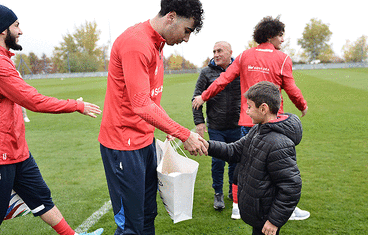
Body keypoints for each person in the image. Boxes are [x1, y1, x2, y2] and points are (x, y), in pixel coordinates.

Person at [0, 2, 103, 235]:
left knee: (41, 198)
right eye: (16, 25)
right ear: (3, 29)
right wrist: (76, 105)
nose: (20, 31)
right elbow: (33, 101)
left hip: (15, 150)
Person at [98, 0, 206, 234]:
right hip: (123, 146)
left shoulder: (157, 45)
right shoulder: (136, 43)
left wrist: (168, 128)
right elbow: (140, 105)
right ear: (171, 17)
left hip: (144, 143)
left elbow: (152, 101)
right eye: (186, 30)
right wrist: (184, 134)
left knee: (147, 216)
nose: (186, 39)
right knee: (131, 226)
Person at [193, 15, 310, 221]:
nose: (282, 40)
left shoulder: (245, 55)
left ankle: (237, 205)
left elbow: (223, 80)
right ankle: (286, 208)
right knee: (280, 167)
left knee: (245, 163)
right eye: (281, 36)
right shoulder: (282, 59)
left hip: (249, 121)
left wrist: (204, 96)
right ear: (272, 35)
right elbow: (291, 88)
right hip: (275, 123)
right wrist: (302, 105)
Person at [200, 81, 303, 235]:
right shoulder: (258, 130)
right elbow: (233, 150)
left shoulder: (279, 144)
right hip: (258, 213)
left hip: (266, 217)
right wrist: (205, 145)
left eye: (249, 106)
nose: (246, 111)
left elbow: (291, 187)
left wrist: (274, 220)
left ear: (263, 109)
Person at [192, 41, 241, 211]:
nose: (216, 54)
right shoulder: (206, 72)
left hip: (237, 126)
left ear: (230, 52)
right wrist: (199, 122)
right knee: (218, 161)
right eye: (214, 51)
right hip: (216, 127)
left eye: (220, 50)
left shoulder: (239, 70)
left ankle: (232, 191)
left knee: (235, 161)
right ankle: (218, 193)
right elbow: (196, 98)